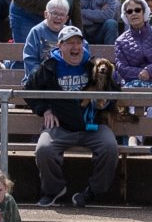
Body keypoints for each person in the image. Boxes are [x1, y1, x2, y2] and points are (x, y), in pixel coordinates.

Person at [27, 25, 121, 207]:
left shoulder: (93, 65)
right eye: (70, 43)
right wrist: (44, 109)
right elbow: (28, 91)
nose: (75, 47)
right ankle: (54, 190)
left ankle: (93, 192)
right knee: (44, 150)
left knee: (110, 147)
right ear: (60, 46)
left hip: (92, 126)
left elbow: (115, 91)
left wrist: (104, 102)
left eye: (79, 42)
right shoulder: (47, 67)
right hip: (60, 126)